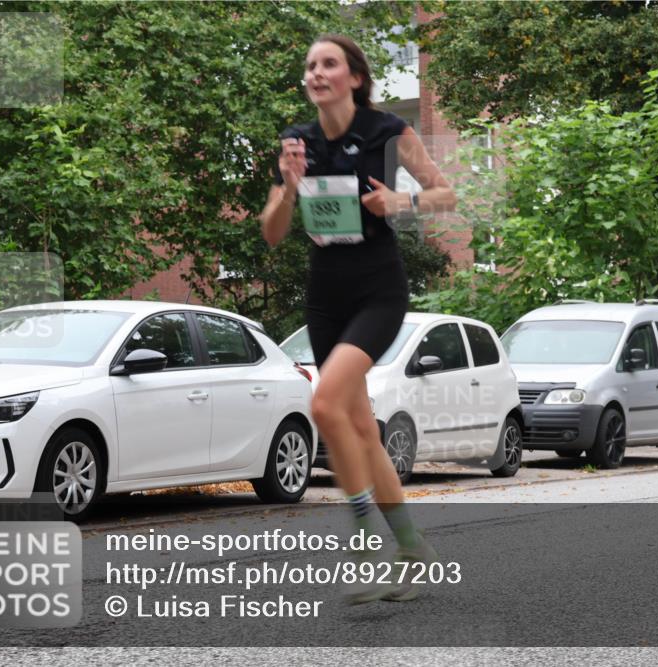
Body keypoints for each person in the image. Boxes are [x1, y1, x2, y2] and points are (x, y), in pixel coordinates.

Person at [259, 34, 456, 603]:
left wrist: (402, 203)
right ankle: (413, 547)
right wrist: (288, 189)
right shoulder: (298, 141)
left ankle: (368, 539)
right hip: (326, 296)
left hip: (378, 290)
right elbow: (273, 235)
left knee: (323, 403)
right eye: (310, 66)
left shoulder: (387, 132)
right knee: (360, 427)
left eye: (328, 64)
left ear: (354, 77)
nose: (316, 73)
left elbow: (445, 194)